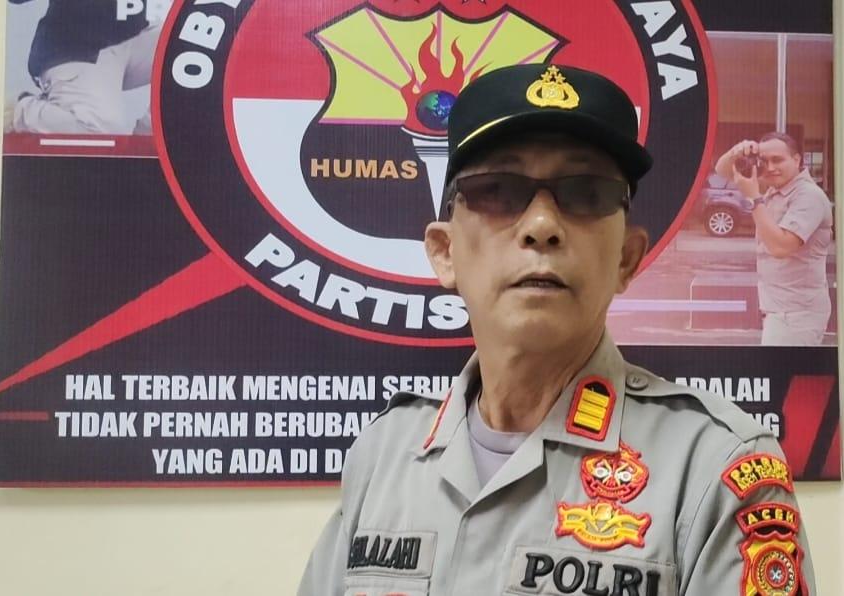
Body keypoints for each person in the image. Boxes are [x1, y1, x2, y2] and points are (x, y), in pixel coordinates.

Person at [299, 64, 814, 595]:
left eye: (586, 193)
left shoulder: (714, 468)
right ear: (445, 252)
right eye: (498, 190)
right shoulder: (386, 455)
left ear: (627, 258)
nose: (542, 226)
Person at [715, 133, 834, 346]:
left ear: (796, 160)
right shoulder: (776, 187)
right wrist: (738, 151)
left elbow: (781, 247)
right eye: (764, 161)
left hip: (796, 315)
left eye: (777, 160)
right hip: (781, 310)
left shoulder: (808, 196)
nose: (770, 168)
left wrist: (754, 198)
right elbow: (722, 170)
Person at [7, 0, 162, 134]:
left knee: (176, 44)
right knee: (100, 130)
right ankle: (21, 112)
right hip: (76, 48)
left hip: (132, 36)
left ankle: (151, 135)